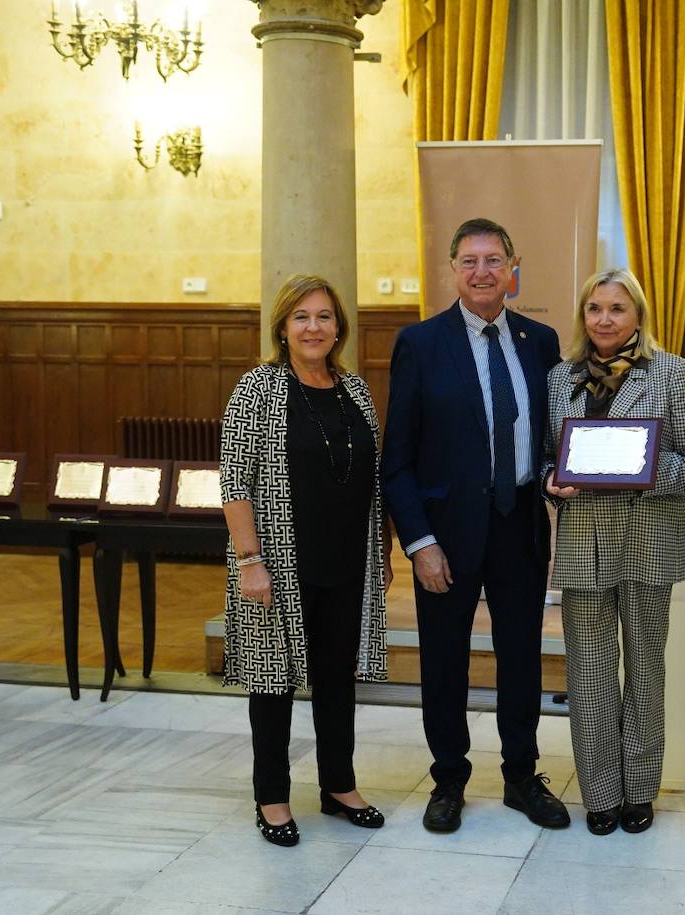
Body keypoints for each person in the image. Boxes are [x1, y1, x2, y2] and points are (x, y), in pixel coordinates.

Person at [381, 217, 568, 833]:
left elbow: (547, 437)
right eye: (469, 261)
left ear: (513, 268)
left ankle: (521, 776)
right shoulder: (421, 343)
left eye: (494, 260)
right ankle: (449, 780)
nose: (483, 272)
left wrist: (551, 474)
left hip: (520, 524)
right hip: (446, 536)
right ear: (452, 271)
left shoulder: (541, 343)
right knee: (444, 661)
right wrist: (420, 542)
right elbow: (397, 461)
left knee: (521, 656)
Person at [220, 273, 392, 847]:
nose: (314, 327)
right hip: (276, 563)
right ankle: (271, 797)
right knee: (272, 683)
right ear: (283, 327)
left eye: (324, 317)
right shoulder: (256, 390)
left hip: (348, 560)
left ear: (338, 326)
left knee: (337, 679)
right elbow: (235, 484)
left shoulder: (355, 391)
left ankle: (338, 785)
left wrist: (382, 550)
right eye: (302, 317)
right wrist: (249, 559)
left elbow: (374, 477)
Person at [543, 268, 685, 835]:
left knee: (645, 667)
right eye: (595, 309)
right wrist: (552, 479)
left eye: (617, 308)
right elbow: (548, 458)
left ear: (639, 315)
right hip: (584, 543)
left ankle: (640, 789)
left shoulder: (671, 374)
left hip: (648, 539)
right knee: (588, 673)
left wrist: (644, 470)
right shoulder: (559, 379)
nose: (605, 320)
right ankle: (599, 792)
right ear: (583, 316)